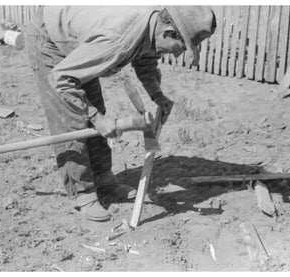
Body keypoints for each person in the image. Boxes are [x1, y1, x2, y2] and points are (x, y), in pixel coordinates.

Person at [24, 6, 216, 222]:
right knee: (72, 119)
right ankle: (82, 193)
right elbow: (61, 78)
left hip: (84, 36)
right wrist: (96, 119)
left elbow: (146, 58)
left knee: (94, 107)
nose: (176, 54)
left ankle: (103, 179)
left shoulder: (152, 27)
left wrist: (156, 94)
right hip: (50, 40)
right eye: (179, 47)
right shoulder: (117, 40)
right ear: (168, 32)